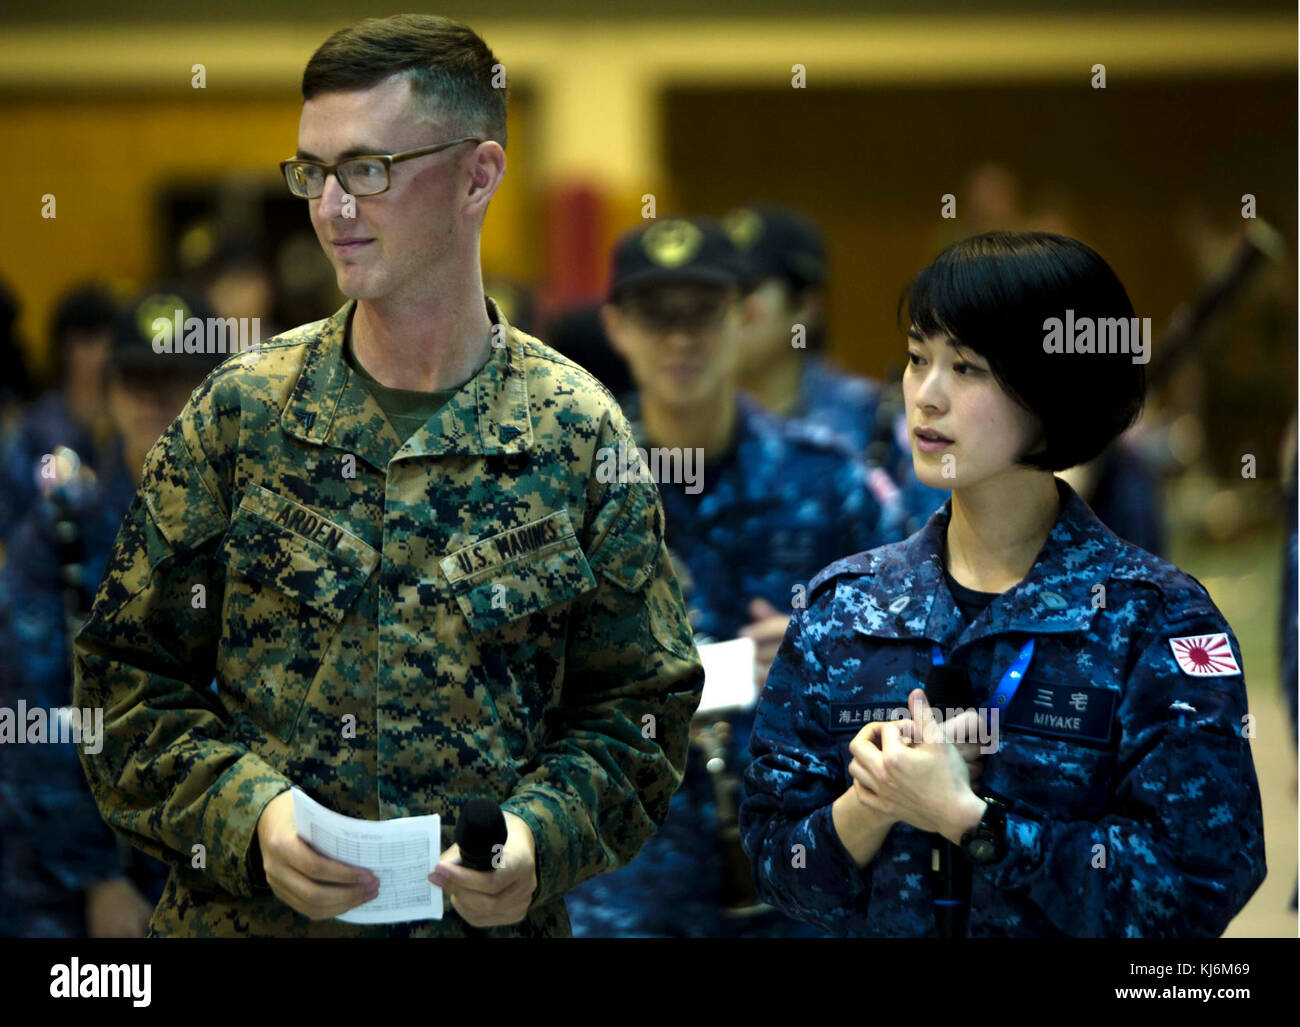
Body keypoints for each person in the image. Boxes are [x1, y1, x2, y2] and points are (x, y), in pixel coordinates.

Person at [73, 13, 702, 939]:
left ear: (477, 176)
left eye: (368, 170)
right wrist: (251, 817)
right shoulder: (240, 414)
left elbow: (639, 711)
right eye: (312, 173)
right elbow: (122, 685)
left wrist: (539, 836)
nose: (332, 208)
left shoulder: (576, 431)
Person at [741, 231, 1266, 937]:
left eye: (967, 367)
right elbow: (776, 869)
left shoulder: (1156, 622)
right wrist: (875, 801)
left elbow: (1196, 891)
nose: (925, 397)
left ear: (1052, 390)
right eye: (917, 358)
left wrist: (970, 819)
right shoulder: (845, 610)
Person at [562, 216, 902, 937]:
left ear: (745, 316)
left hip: (800, 873)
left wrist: (829, 654)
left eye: (702, 314)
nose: (681, 340)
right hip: (628, 882)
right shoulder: (571, 484)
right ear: (617, 326)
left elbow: (919, 657)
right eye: (657, 316)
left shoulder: (829, 477)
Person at [0, 287, 217, 938]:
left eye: (179, 378)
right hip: (79, 888)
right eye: (138, 378)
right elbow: (30, 719)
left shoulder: (257, 530)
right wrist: (96, 878)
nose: (157, 397)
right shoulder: (65, 532)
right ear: (110, 388)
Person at [723, 204, 947, 534]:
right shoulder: (688, 424)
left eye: (744, 290)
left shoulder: (876, 422)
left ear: (805, 305)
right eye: (714, 291)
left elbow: (926, 546)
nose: (725, 308)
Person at [0, 283, 118, 543]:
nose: (101, 354)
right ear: (64, 349)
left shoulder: (131, 420)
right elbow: (8, 515)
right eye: (88, 341)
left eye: (109, 340)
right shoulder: (35, 428)